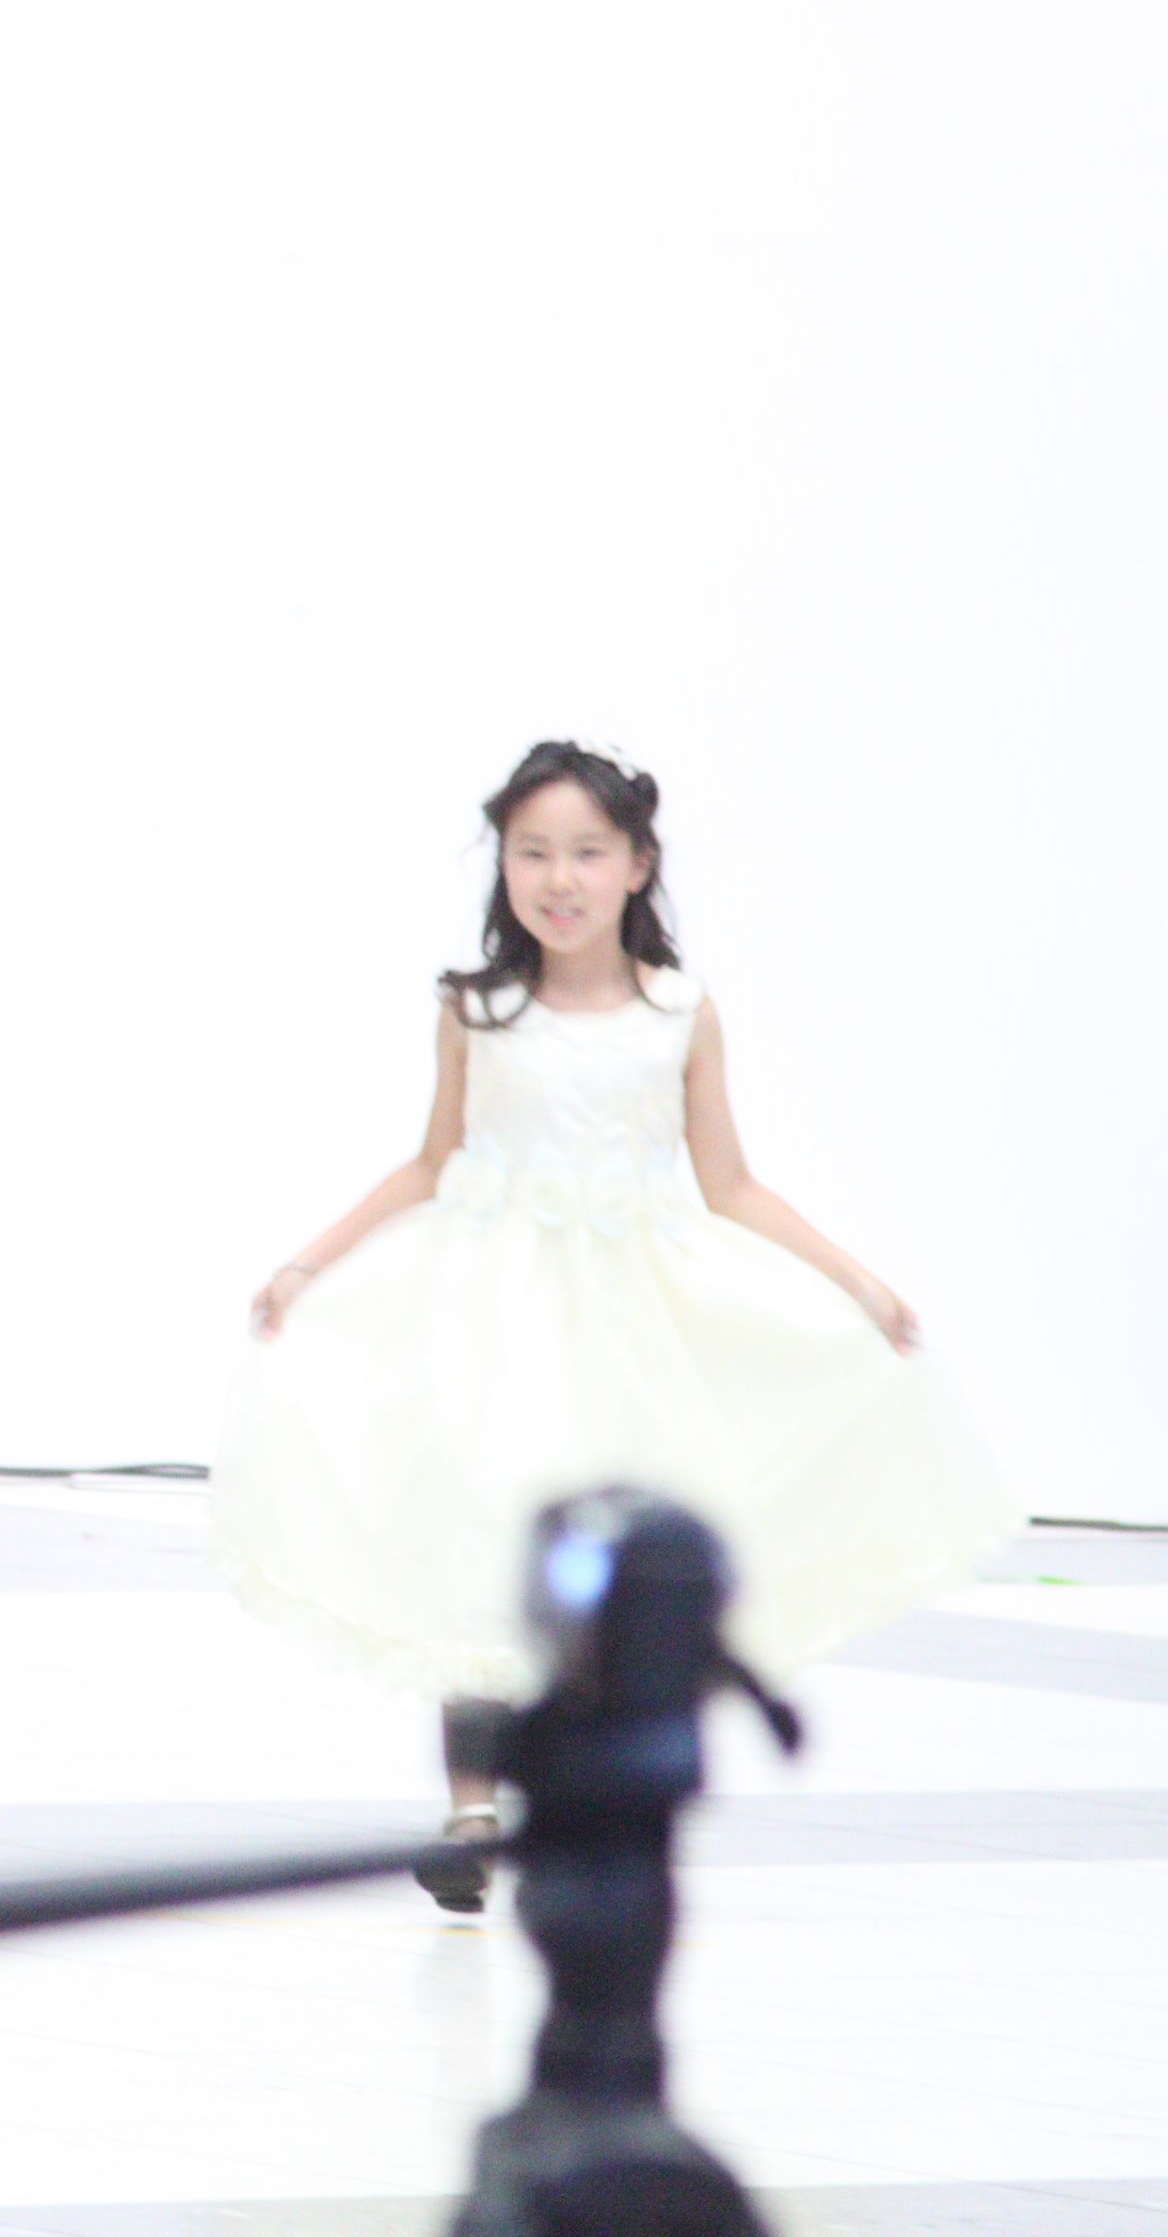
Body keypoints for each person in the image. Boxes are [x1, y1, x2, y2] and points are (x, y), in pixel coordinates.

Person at [214, 739, 1014, 1910]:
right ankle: (473, 1811)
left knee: (618, 1565)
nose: (560, 879)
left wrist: (854, 1281)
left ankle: (588, 1797)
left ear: (639, 865)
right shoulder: (478, 1011)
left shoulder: (678, 1013)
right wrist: (309, 1263)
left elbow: (729, 1184)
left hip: (636, 1323)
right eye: (532, 852)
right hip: (490, 1311)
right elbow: (434, 1162)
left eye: (588, 852)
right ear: (504, 866)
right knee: (478, 1534)